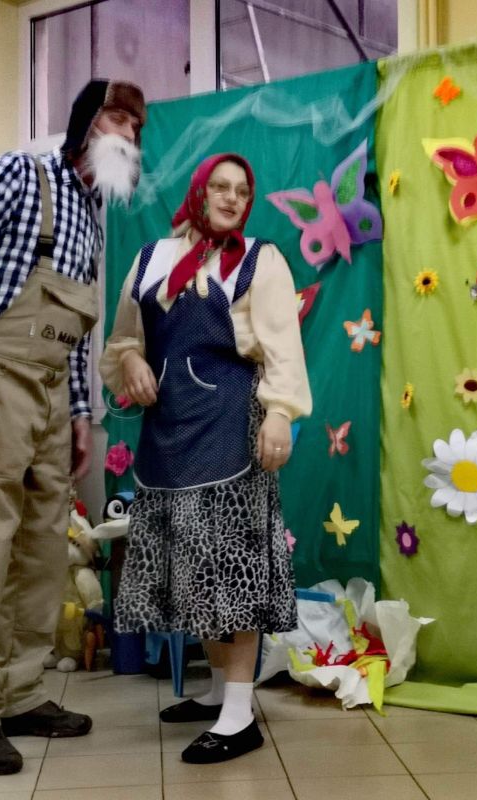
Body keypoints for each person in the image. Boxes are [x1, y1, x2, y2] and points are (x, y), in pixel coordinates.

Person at [0, 79, 146, 775]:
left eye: (137, 126)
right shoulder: (17, 174)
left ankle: (20, 691)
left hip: (53, 390)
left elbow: (77, 329)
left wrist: (81, 412)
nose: (129, 134)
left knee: (44, 545)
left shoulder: (92, 213)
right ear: (85, 122)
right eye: (118, 117)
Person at [100, 153, 312, 764]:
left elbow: (283, 347)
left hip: (231, 430)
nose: (231, 198)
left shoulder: (260, 260)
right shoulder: (151, 259)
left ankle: (239, 716)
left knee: (233, 569)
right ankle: (220, 690)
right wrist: (131, 361)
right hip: (169, 434)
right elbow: (122, 341)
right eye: (220, 187)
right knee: (193, 567)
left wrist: (279, 413)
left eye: (242, 191)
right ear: (199, 192)